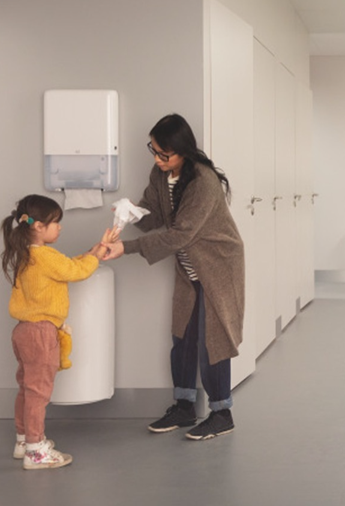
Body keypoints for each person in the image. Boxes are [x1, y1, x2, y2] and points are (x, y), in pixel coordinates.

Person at [102, 113, 245, 440]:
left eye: (164, 154)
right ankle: (183, 407)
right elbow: (153, 213)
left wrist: (128, 248)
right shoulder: (160, 173)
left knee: (213, 340)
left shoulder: (203, 182)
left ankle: (222, 412)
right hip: (188, 266)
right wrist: (130, 212)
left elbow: (181, 233)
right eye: (154, 151)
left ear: (183, 151)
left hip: (218, 265)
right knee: (182, 335)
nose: (157, 159)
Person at [1, 194, 115, 469]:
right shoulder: (45, 256)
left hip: (23, 332)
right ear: (38, 226)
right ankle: (35, 451)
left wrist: (93, 252)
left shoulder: (26, 254)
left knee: (27, 390)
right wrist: (97, 255)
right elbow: (75, 272)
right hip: (41, 334)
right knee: (39, 393)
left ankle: (23, 440)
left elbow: (66, 267)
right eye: (55, 223)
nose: (60, 227)